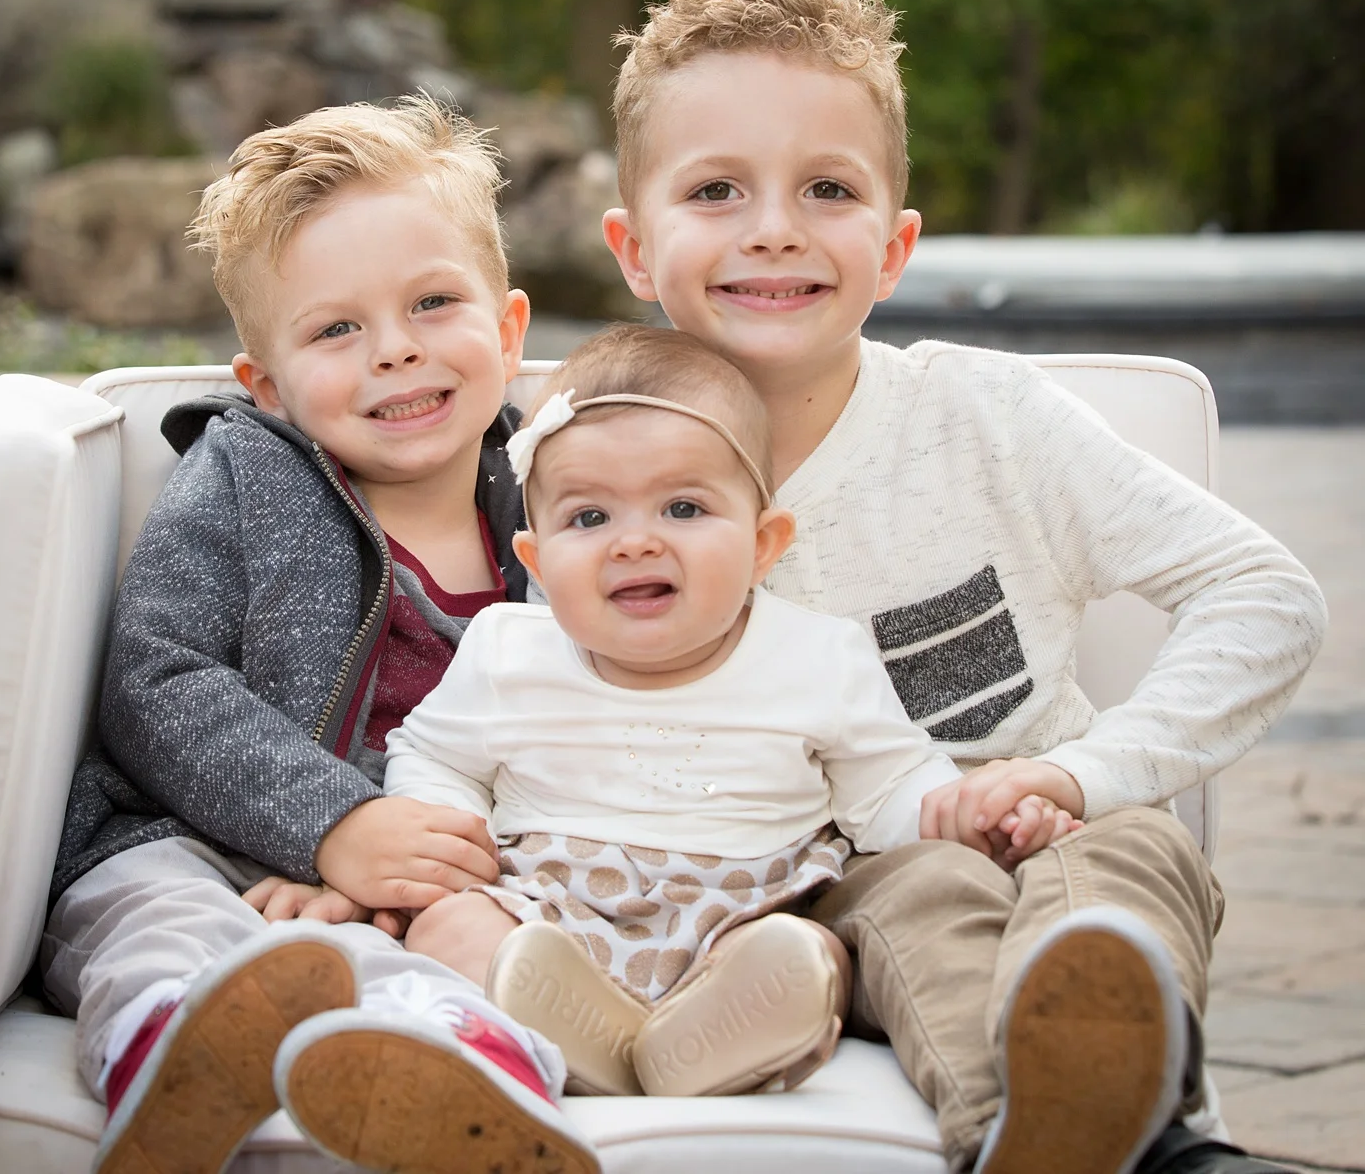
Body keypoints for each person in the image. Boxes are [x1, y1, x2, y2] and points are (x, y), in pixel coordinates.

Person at [597, 0, 1326, 1174]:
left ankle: (1134, 1097)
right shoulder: (596, 472)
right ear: (633, 247)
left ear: (894, 247)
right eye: (717, 190)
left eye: (827, 188)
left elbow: (1267, 597)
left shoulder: (990, 422)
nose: (774, 228)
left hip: (1064, 816)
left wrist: (1088, 777)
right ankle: (1039, 1137)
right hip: (849, 876)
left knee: (1137, 857)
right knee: (923, 895)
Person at [41, 99, 598, 1174]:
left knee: (472, 962)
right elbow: (155, 681)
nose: (396, 351)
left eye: (434, 303)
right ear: (268, 386)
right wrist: (334, 825)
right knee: (149, 917)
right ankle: (178, 1062)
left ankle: (472, 1092)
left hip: (447, 878)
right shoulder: (245, 478)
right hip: (200, 842)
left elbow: (599, 719)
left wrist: (411, 871)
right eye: (336, 329)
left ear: (511, 332)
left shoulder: (567, 505)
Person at [375, 324, 1079, 1100]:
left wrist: (973, 821)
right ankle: (577, 1035)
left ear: (763, 543)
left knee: (813, 956)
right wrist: (439, 829)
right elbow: (434, 756)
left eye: (682, 507)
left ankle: (697, 1045)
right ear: (538, 561)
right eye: (588, 518)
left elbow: (889, 789)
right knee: (450, 928)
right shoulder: (508, 650)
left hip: (742, 918)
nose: (634, 543)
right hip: (549, 909)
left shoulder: (817, 656)